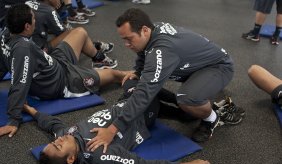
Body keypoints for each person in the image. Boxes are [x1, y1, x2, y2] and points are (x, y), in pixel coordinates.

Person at [86, 8, 245, 148]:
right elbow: (143, 51)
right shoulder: (152, 30)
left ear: (145, 30)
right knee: (136, 79)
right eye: (124, 39)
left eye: (129, 38)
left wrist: (113, 129)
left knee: (186, 98)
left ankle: (212, 119)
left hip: (219, 67)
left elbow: (143, 95)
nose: (126, 44)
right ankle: (196, 102)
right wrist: (138, 71)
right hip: (198, 65)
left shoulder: (161, 52)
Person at [23, 79, 211, 164]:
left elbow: (53, 125)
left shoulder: (65, 136)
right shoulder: (98, 154)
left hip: (125, 102)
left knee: (131, 81)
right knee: (141, 83)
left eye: (53, 142)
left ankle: (182, 111)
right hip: (143, 115)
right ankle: (185, 103)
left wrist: (33, 112)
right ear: (71, 158)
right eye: (58, 146)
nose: (58, 140)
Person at [0, 4, 127, 138]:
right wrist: (14, 119)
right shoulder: (22, 49)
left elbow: (1, 63)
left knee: (80, 32)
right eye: (33, 19)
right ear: (26, 27)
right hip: (63, 81)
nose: (35, 20)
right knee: (115, 74)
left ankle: (98, 59)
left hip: (56, 62)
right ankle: (145, 79)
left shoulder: (5, 33)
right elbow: (20, 82)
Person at [25, 0, 116, 69]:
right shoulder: (49, 11)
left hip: (23, 50)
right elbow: (67, 35)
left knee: (63, 29)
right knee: (76, 32)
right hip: (38, 53)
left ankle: (95, 46)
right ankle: (98, 58)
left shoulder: (28, 3)